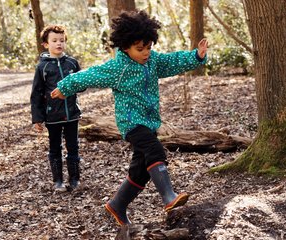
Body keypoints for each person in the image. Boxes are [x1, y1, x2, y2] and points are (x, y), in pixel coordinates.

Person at [51, 10, 208, 224]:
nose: (145, 53)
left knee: (141, 172)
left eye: (149, 48)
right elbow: (89, 75)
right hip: (132, 123)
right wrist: (65, 87)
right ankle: (169, 197)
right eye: (140, 49)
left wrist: (196, 56)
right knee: (155, 150)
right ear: (125, 47)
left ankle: (117, 205)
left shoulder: (152, 61)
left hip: (149, 121)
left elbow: (173, 61)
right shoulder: (118, 67)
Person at [30, 24, 82, 192]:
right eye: (54, 41)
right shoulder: (42, 67)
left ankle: (74, 180)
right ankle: (58, 181)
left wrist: (75, 85)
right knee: (55, 148)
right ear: (46, 44)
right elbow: (36, 93)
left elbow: (82, 84)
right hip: (52, 116)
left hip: (72, 114)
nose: (59, 43)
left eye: (61, 40)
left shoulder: (72, 63)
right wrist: (37, 118)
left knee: (73, 147)